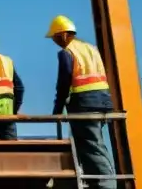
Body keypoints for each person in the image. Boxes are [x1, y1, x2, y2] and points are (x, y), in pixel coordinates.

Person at [46, 15, 116, 189]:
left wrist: (57, 109)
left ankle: (104, 185)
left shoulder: (67, 52)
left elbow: (64, 82)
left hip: (85, 104)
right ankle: (97, 182)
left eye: (55, 38)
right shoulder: (91, 48)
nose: (55, 42)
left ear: (62, 35)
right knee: (94, 144)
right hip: (103, 102)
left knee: (91, 146)